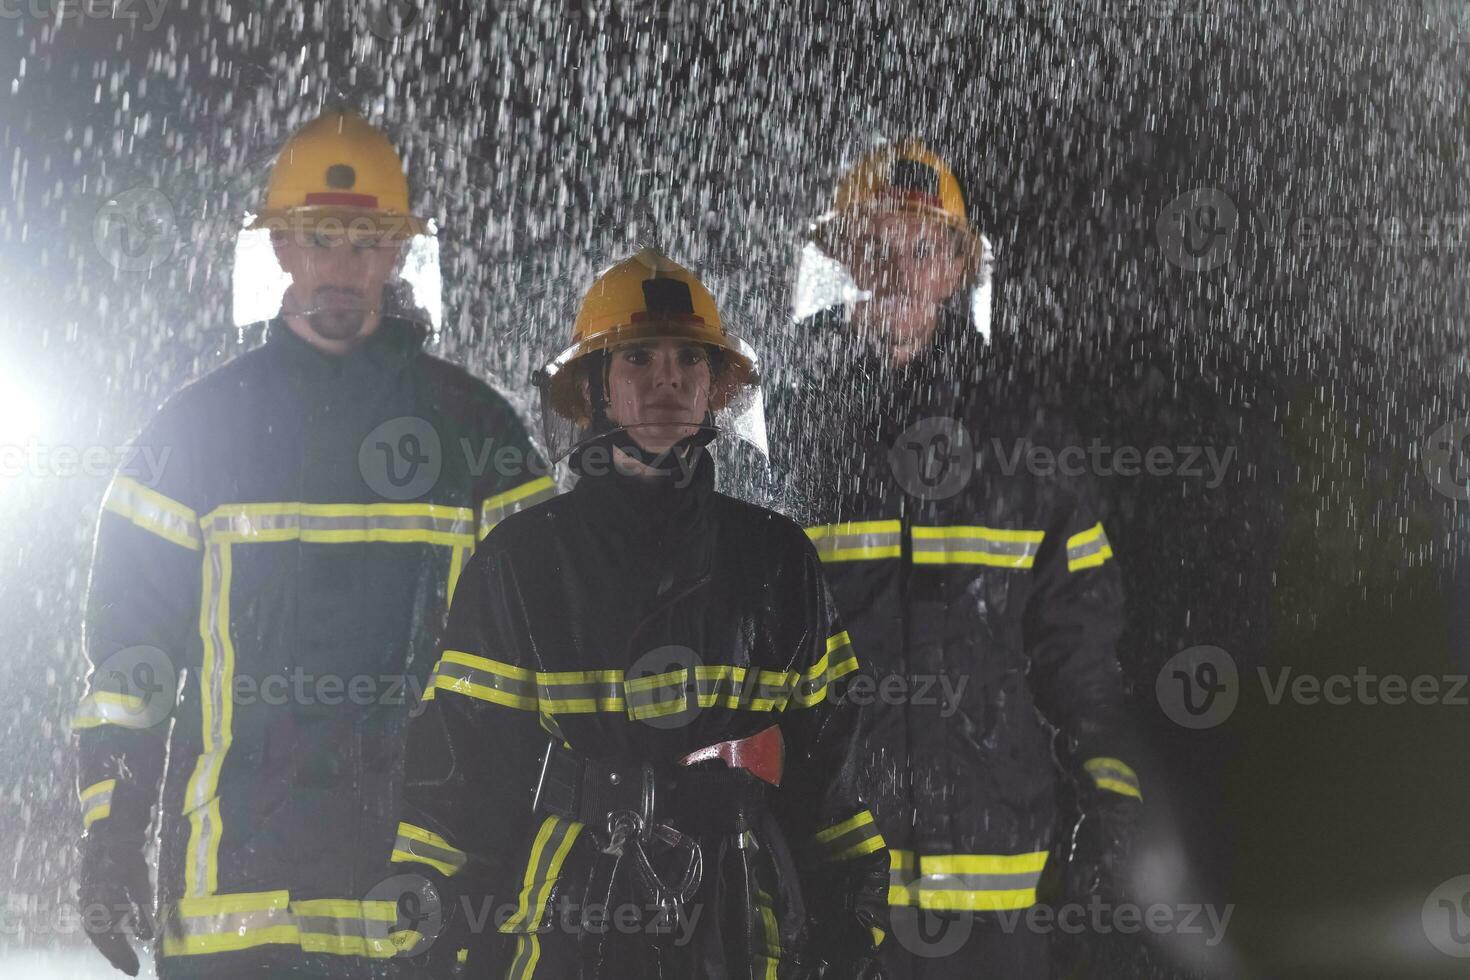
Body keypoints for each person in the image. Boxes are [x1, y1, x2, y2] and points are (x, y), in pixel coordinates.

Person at [72, 110, 555, 980]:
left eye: (368, 241)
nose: (343, 265)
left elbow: (545, 658)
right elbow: (129, 660)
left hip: (429, 900)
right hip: (240, 911)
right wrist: (111, 828)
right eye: (320, 238)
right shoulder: (191, 434)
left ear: (401, 252)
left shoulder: (482, 434)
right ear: (282, 249)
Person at [389, 248, 888, 979]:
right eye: (638, 359)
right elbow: (464, 766)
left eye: (690, 360)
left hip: (740, 924)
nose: (668, 380)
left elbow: (831, 771)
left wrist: (852, 931)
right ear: (593, 388)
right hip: (564, 926)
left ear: (715, 387)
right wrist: (428, 920)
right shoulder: (523, 561)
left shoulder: (775, 557)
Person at [764, 138, 1142, 978]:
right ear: (846, 259)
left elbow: (1078, 644)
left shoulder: (1027, 436)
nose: (900, 270)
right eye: (878, 246)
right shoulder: (795, 433)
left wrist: (1108, 794)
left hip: (996, 871)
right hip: (838, 865)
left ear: (959, 267)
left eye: (925, 247)